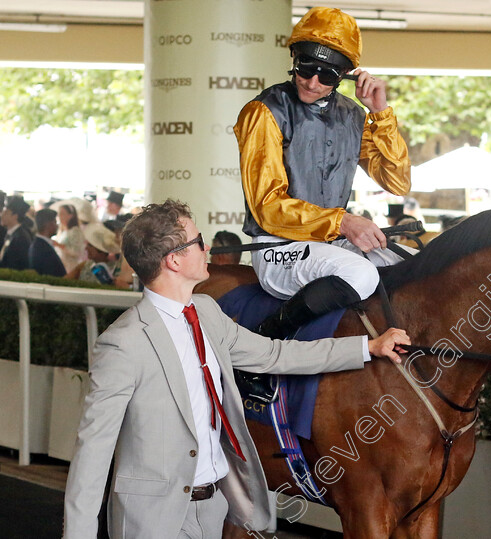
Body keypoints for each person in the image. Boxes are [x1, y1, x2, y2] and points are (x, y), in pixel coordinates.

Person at [63, 199, 409, 538]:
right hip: (153, 521)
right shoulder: (123, 342)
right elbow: (93, 449)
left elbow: (276, 355)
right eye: (198, 242)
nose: (208, 247)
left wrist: (367, 347)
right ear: (174, 260)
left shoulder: (207, 311)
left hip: (213, 509)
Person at [234, 6, 411, 339]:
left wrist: (381, 113)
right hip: (277, 249)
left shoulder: (354, 115)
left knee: (419, 264)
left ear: (344, 75)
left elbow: (397, 181)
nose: (313, 82)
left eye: (326, 75)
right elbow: (267, 206)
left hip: (332, 246)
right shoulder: (263, 111)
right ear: (293, 59)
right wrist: (343, 221)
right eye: (305, 68)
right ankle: (265, 340)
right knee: (361, 275)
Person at [28, 208, 66, 277]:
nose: (57, 225)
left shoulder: (40, 244)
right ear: (48, 225)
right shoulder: (40, 247)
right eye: (55, 222)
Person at [0, 195, 34, 270]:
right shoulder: (11, 234)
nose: (2, 215)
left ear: (15, 216)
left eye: (6, 213)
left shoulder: (21, 237)